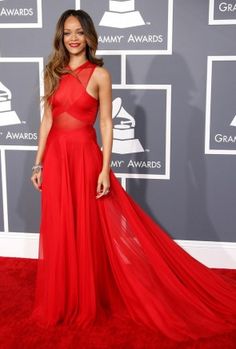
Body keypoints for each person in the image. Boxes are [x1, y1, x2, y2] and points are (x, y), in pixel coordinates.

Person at [30, 9, 236, 342]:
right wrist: (38, 164)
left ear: (89, 37)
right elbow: (47, 122)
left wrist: (104, 169)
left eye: (79, 32)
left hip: (84, 158)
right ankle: (64, 298)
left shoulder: (100, 75)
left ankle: (86, 299)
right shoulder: (52, 71)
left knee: (86, 226)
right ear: (60, 37)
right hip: (55, 158)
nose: (73, 38)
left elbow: (107, 124)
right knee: (60, 227)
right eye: (67, 32)